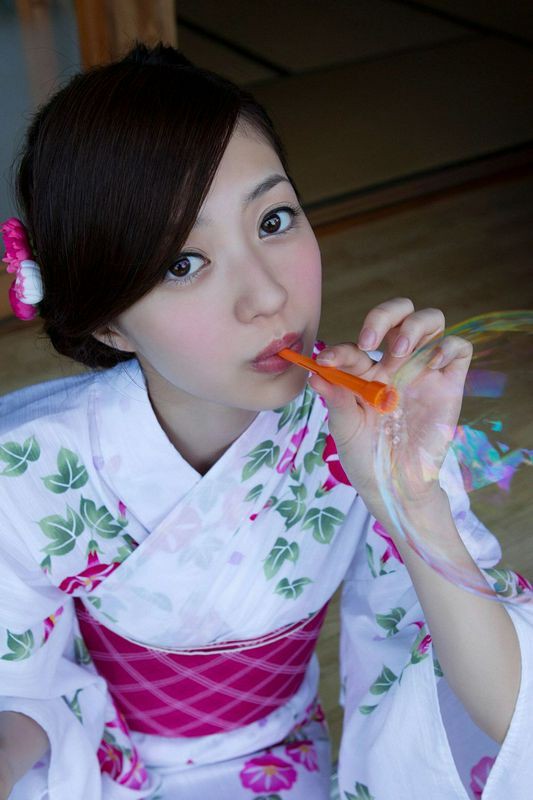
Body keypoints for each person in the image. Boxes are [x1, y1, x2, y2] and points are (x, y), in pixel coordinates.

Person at [0, 43, 531, 800]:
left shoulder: (361, 432)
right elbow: (19, 691)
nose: (268, 297)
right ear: (109, 323)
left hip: (285, 762)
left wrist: (411, 501)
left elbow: (510, 721)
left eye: (274, 219)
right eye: (182, 263)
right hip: (100, 764)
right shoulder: (29, 470)